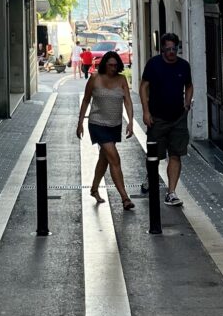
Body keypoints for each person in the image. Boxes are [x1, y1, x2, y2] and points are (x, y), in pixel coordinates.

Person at [140, 32, 193, 207]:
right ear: (162, 48)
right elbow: (144, 87)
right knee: (155, 155)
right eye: (168, 48)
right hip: (157, 118)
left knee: (176, 154)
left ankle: (171, 192)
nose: (171, 52)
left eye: (174, 48)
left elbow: (189, 85)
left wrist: (187, 102)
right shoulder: (153, 65)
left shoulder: (184, 66)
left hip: (178, 118)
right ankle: (150, 177)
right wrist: (146, 112)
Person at [77, 51, 135, 210]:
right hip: (97, 124)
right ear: (104, 65)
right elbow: (86, 100)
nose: (113, 68)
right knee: (114, 158)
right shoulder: (95, 78)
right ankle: (125, 198)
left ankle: (94, 188)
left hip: (115, 125)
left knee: (104, 158)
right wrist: (80, 122)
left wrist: (130, 122)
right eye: (110, 65)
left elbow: (128, 101)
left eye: (115, 65)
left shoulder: (122, 79)